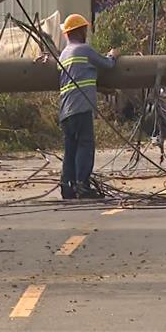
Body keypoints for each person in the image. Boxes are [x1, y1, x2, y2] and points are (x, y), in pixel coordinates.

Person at [52, 13, 119, 200]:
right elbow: (107, 64)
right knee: (85, 146)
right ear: (81, 32)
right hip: (81, 108)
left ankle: (67, 187)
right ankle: (82, 185)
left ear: (66, 34)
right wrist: (113, 55)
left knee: (70, 148)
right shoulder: (84, 50)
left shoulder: (64, 54)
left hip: (65, 111)